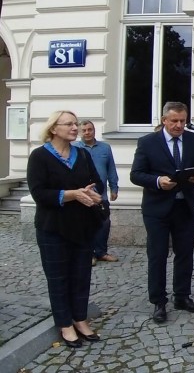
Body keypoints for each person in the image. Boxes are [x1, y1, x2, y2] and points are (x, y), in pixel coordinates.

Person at [130, 102, 194, 324]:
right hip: (157, 208)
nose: (179, 125)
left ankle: (182, 296)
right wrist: (158, 181)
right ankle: (159, 301)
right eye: (174, 121)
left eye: (183, 121)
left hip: (184, 206)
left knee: (185, 253)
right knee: (157, 255)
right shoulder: (148, 142)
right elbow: (136, 174)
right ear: (164, 120)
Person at [27, 110, 104, 348]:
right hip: (53, 228)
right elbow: (39, 193)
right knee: (58, 278)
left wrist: (94, 194)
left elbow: (96, 182)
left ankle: (80, 319)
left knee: (82, 276)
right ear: (54, 128)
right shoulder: (39, 156)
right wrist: (72, 194)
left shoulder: (81, 154)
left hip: (83, 226)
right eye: (69, 124)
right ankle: (65, 324)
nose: (75, 128)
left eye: (76, 124)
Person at [75, 120, 120, 266]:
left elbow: (111, 169)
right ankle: (89, 254)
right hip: (83, 194)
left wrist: (114, 187)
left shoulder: (105, 148)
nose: (87, 133)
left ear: (94, 130)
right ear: (80, 132)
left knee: (104, 223)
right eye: (84, 130)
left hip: (101, 194)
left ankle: (101, 252)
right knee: (86, 225)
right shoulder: (75, 148)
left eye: (90, 129)